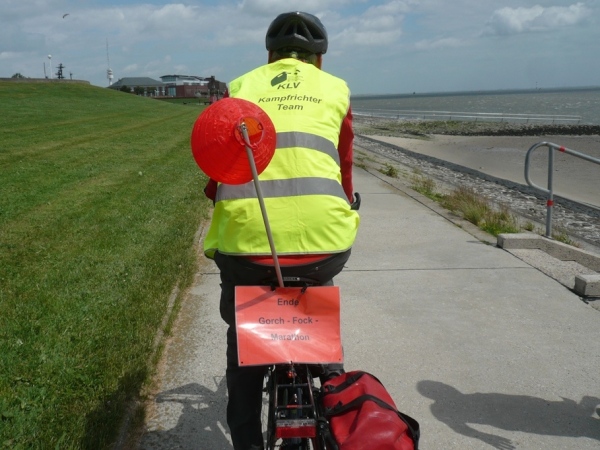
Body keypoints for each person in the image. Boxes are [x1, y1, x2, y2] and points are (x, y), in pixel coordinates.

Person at [202, 11, 360, 450]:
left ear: (270, 56)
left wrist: (217, 194)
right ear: (318, 60)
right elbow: (344, 161)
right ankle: (333, 386)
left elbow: (218, 163)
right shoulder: (336, 89)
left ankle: (247, 441)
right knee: (317, 288)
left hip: (248, 250)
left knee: (242, 342)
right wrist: (345, 200)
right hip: (323, 245)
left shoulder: (240, 88)